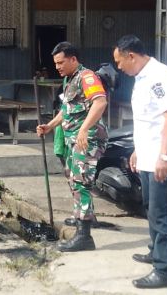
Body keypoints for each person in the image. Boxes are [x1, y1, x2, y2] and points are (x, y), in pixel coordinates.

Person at [113, 35, 167, 289]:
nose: (119, 67)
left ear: (131, 55)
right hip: (147, 156)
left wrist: (164, 156)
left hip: (161, 158)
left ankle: (165, 271)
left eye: (120, 61)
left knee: (163, 214)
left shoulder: (162, 76)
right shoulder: (142, 78)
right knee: (151, 208)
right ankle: (156, 251)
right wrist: (137, 150)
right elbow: (147, 120)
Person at [36, 42, 108, 252]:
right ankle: (83, 217)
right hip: (74, 138)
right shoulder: (70, 79)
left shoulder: (87, 77)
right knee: (73, 178)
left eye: (61, 62)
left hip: (88, 139)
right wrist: (49, 126)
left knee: (80, 182)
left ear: (73, 59)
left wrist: (84, 129)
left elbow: (100, 102)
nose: (57, 67)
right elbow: (67, 110)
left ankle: (84, 236)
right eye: (55, 63)